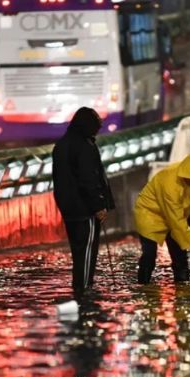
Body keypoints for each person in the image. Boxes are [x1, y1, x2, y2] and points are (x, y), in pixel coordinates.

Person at [52, 106, 115, 293]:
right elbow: (88, 179)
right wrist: (99, 206)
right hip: (85, 209)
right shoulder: (84, 146)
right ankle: (84, 288)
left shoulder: (61, 145)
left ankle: (79, 286)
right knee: (87, 251)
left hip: (68, 209)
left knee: (78, 252)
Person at [134, 153, 190, 284]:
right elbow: (175, 220)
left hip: (172, 216)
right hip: (150, 214)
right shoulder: (169, 182)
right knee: (149, 254)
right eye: (189, 179)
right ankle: (143, 285)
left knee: (180, 254)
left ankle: (182, 285)